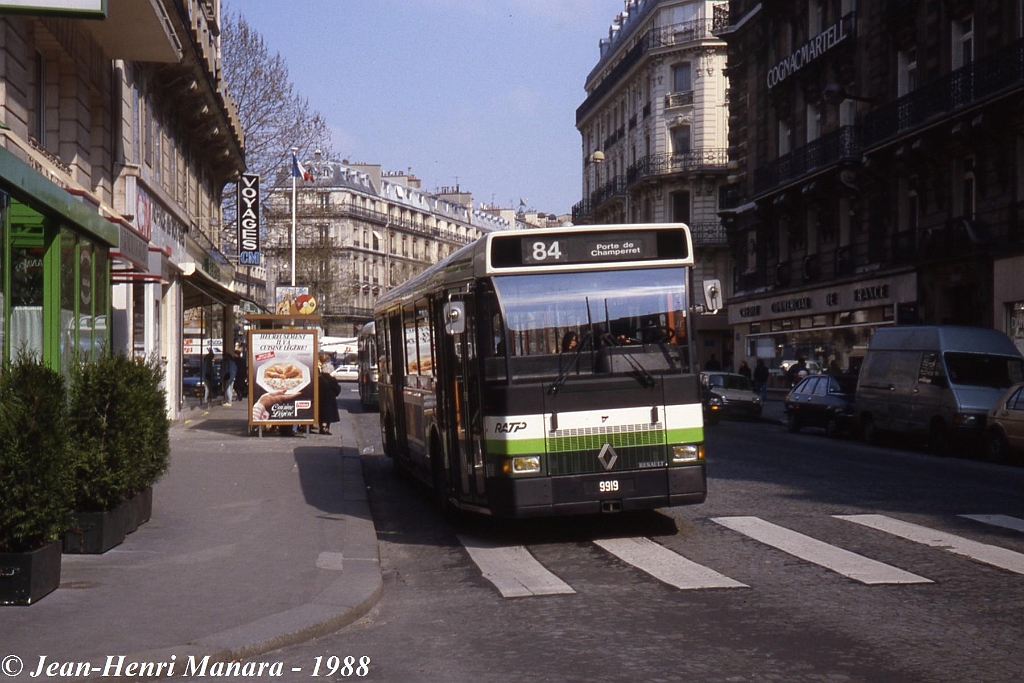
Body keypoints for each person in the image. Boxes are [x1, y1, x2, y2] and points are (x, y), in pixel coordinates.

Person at [318, 362, 341, 435]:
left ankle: (321, 427)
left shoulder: (318, 378)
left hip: (320, 399)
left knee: (321, 414)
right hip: (330, 400)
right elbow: (337, 390)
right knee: (328, 415)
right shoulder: (332, 379)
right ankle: (326, 428)